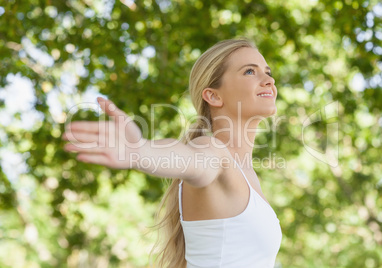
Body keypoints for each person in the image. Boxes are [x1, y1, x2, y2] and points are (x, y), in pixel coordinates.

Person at [63, 39, 282, 268]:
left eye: (267, 72)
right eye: (250, 71)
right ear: (214, 96)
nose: (269, 80)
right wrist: (140, 150)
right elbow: (189, 159)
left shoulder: (248, 174)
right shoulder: (212, 150)